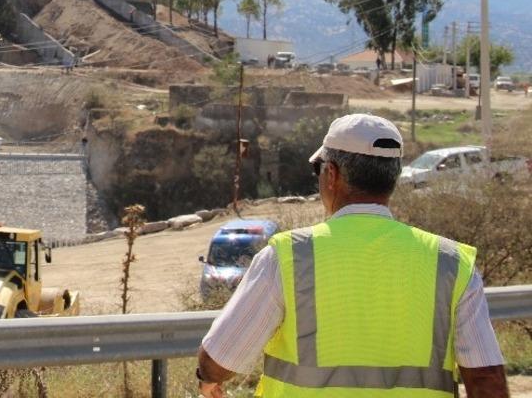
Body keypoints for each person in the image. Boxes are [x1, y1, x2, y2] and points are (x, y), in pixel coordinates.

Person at [196, 113, 509, 398]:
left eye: (319, 170)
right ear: (393, 177)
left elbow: (219, 360)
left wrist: (208, 379)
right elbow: (487, 381)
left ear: (331, 174)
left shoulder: (288, 257)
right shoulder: (451, 263)